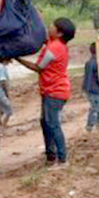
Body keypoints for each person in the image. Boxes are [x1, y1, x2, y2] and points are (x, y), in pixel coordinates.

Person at [17, 18, 76, 167]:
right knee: (46, 122)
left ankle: (62, 159)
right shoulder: (57, 45)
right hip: (54, 91)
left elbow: (39, 68)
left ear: (60, 33)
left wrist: (18, 59)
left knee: (52, 124)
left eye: (52, 26)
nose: (49, 27)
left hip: (54, 92)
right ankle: (51, 157)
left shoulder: (54, 48)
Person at [82, 43, 99, 131]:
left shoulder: (89, 62)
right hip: (94, 89)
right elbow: (98, 77)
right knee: (95, 108)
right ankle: (90, 127)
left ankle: (98, 124)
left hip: (88, 87)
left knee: (98, 107)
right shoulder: (98, 63)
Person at [0, 60, 13, 127]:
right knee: (8, 110)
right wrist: (7, 91)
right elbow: (3, 81)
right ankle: (3, 125)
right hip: (1, 93)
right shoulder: (2, 68)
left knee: (0, 110)